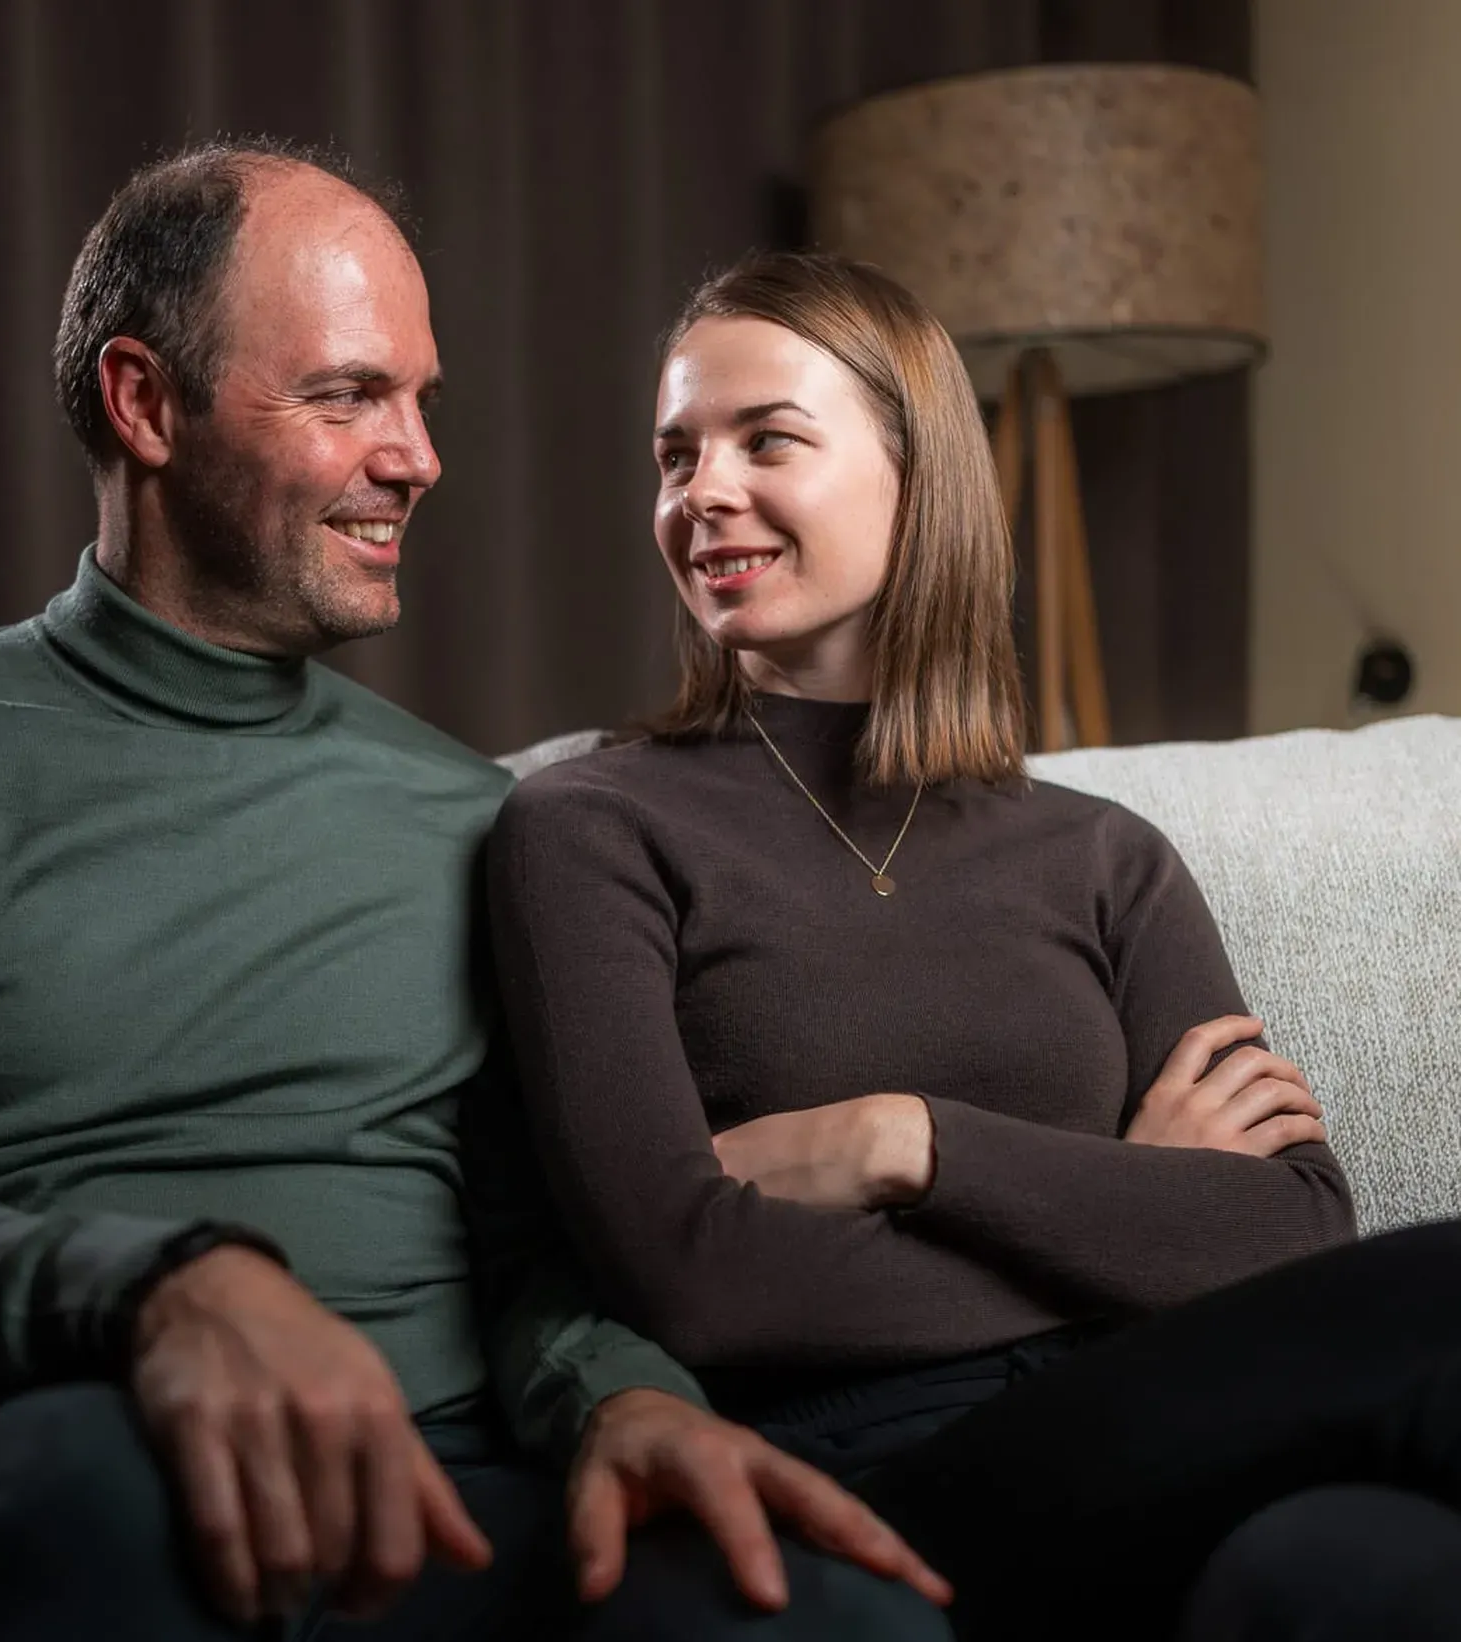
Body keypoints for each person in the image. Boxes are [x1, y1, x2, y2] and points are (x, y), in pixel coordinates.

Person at [0, 145, 956, 1642]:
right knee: (105, 1504)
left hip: (434, 1472)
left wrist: (620, 1397)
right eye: (351, 395)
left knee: (825, 1607)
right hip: (7, 1450)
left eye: (422, 401)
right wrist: (171, 1290)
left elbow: (529, 1241)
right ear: (143, 403)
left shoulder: (492, 824)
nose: (419, 455)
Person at [481, 248, 1461, 1642]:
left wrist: (907, 1142)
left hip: (1160, 1434)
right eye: (674, 455)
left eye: (767, 440)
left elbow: (1295, 1227)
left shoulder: (1101, 854)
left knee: (1368, 1564)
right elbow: (688, 1275)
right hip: (874, 1467)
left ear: (914, 471)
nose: (701, 492)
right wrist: (1129, 1203)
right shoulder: (589, 827)